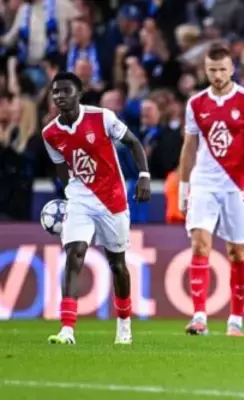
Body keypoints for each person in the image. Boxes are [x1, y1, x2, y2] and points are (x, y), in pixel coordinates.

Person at [42, 72, 151, 345]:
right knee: (74, 254)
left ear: (79, 94)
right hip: (80, 198)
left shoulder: (102, 118)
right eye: (55, 92)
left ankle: (124, 326)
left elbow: (133, 143)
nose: (59, 96)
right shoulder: (50, 133)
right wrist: (68, 196)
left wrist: (144, 176)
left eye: (65, 91)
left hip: (112, 199)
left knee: (118, 265)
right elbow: (61, 167)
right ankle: (67, 330)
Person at [178, 43, 244, 337]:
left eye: (221, 69)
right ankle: (199, 317)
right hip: (204, 182)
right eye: (212, 70)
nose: (217, 75)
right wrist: (183, 187)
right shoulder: (195, 104)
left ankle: (236, 320)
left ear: (232, 69)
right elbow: (189, 146)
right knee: (199, 244)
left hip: (238, 184)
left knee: (237, 252)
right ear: (204, 71)